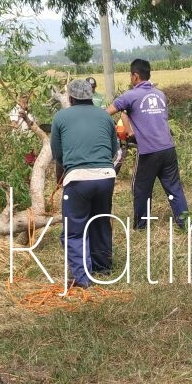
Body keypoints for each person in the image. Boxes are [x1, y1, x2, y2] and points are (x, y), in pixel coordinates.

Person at [107, 58, 190, 228]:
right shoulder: (160, 95)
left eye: (131, 76)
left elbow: (106, 113)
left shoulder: (130, 95)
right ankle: (185, 222)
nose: (131, 79)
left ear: (135, 76)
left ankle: (140, 226)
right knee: (174, 188)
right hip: (168, 148)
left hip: (148, 152)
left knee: (141, 188)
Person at [51, 79, 119, 288]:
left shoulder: (61, 117)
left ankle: (82, 278)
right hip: (106, 177)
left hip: (77, 180)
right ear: (91, 95)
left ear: (70, 98)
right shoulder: (105, 116)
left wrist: (61, 178)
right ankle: (103, 266)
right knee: (100, 220)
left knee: (74, 229)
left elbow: (58, 154)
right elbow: (114, 149)